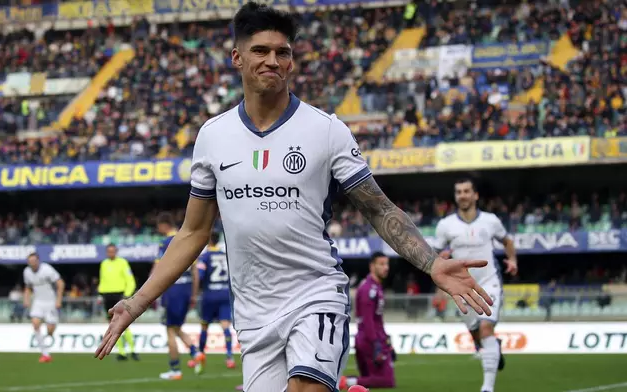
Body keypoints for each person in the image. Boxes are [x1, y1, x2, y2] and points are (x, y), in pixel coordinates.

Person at [95, 4, 493, 392]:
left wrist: (430, 263)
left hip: (315, 293)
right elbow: (192, 233)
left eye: (282, 52)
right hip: (253, 314)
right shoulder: (212, 137)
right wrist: (137, 302)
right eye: (260, 50)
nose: (272, 60)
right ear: (237, 57)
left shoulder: (326, 130)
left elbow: (379, 207)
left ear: (292, 62)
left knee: (305, 386)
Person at [434, 178, 519, 392]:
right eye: (459, 192)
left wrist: (513, 260)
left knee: (485, 327)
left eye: (466, 191)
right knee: (476, 335)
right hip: (461, 286)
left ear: (475, 195)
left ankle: (487, 388)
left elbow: (507, 241)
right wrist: (440, 263)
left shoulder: (490, 221)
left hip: (489, 281)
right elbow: (435, 256)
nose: (462, 195)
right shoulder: (445, 226)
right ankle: (493, 348)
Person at [340, 252, 395, 389]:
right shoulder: (368, 289)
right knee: (387, 381)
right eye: (381, 264)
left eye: (387, 264)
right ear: (372, 266)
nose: (386, 267)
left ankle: (346, 381)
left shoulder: (375, 287)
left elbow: (377, 319)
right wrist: (376, 343)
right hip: (370, 340)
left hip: (371, 339)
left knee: (370, 378)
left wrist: (387, 341)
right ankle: (346, 382)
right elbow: (367, 320)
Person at [155, 212, 200, 380]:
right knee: (176, 327)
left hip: (172, 289)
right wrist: (194, 294)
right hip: (186, 290)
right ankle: (195, 353)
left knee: (170, 330)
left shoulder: (166, 242)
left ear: (163, 225)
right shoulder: (187, 239)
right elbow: (195, 271)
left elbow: (158, 269)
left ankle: (175, 370)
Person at [191, 231, 235, 373]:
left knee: (204, 326)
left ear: (208, 241)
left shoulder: (204, 257)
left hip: (210, 295)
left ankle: (200, 355)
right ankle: (229, 357)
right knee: (225, 326)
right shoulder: (225, 256)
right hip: (224, 294)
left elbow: (200, 275)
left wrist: (195, 291)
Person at [98, 244, 139, 361]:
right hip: (107, 295)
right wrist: (100, 293)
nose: (111, 253)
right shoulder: (104, 264)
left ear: (116, 252)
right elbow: (103, 280)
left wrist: (127, 294)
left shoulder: (122, 263)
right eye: (108, 251)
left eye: (112, 251)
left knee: (124, 324)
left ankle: (132, 350)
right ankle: (122, 352)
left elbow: (130, 279)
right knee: (112, 324)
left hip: (119, 295)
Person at [23, 252, 65, 363]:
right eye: (30, 261)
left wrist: (59, 300)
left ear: (38, 260)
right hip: (38, 302)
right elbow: (27, 287)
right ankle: (45, 354)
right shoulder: (26, 272)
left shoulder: (47, 269)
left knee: (50, 330)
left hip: (50, 302)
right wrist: (26, 299)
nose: (32, 263)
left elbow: (60, 283)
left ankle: (49, 334)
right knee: (35, 323)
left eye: (34, 261)